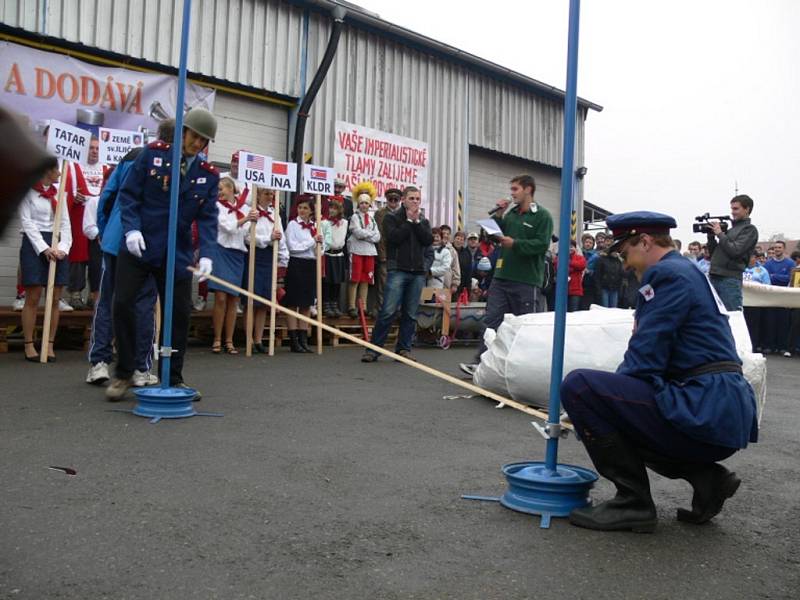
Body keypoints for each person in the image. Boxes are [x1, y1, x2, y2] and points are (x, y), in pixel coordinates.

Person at [560, 211, 758, 533]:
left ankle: (632, 503)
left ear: (646, 241)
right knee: (616, 408)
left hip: (705, 407)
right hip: (716, 408)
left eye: (626, 253)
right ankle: (707, 479)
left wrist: (592, 409)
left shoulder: (667, 274)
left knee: (580, 388)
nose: (625, 264)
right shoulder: (685, 271)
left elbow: (646, 356)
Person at [106, 108, 219, 400]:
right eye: (194, 136)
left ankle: (174, 376)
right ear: (183, 132)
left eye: (203, 141)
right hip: (139, 244)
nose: (197, 144)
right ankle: (125, 372)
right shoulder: (153, 155)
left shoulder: (207, 175)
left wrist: (206, 254)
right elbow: (129, 195)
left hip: (177, 252)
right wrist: (131, 230)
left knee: (179, 314)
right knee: (123, 303)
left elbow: (207, 218)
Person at [86, 121, 169, 387]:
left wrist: (105, 229)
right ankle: (140, 369)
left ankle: (99, 362)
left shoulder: (132, 157)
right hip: (151, 243)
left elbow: (108, 197)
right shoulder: (178, 165)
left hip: (117, 239)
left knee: (111, 301)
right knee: (144, 305)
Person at [460, 174, 553, 376]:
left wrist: (516, 244)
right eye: (511, 190)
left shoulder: (542, 216)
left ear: (528, 189)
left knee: (524, 325)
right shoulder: (511, 214)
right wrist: (499, 214)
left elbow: (542, 245)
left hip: (526, 280)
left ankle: (528, 369)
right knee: (491, 321)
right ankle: (482, 363)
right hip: (502, 277)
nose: (511, 194)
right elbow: (493, 236)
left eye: (515, 189)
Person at [361, 186, 432, 362]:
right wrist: (408, 222)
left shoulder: (423, 221)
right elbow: (394, 238)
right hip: (398, 270)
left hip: (417, 272)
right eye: (412, 198)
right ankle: (373, 350)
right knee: (388, 310)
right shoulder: (391, 218)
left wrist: (416, 223)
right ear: (404, 200)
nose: (415, 202)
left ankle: (403, 349)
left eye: (417, 199)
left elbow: (428, 240)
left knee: (410, 313)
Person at [18, 164, 72, 362]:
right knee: (33, 295)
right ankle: (29, 343)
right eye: (57, 169)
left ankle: (49, 343)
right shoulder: (27, 192)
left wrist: (63, 248)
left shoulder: (60, 193)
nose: (60, 173)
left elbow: (65, 222)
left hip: (56, 243)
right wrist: (44, 248)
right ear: (47, 171)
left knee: (56, 296)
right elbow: (27, 222)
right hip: (34, 243)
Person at [208, 176, 252, 354]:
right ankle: (217, 338)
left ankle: (229, 340)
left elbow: (246, 233)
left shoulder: (246, 208)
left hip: (237, 254)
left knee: (234, 299)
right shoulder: (217, 207)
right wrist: (246, 220)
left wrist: (248, 221)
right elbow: (228, 227)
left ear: (232, 189)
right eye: (217, 189)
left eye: (221, 189)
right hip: (221, 251)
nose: (219, 192)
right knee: (220, 297)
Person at [245, 187, 289, 352]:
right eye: (266, 193)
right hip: (255, 256)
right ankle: (249, 339)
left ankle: (258, 340)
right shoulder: (252, 212)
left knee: (264, 301)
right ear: (258, 195)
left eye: (272, 194)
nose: (270, 196)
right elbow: (248, 237)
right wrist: (267, 238)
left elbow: (281, 237)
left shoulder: (275, 214)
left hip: (270, 257)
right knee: (252, 300)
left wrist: (283, 258)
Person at [65, 137, 104, 309]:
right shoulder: (74, 167)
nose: (94, 151)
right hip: (79, 215)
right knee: (78, 255)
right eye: (91, 148)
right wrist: (73, 196)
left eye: (96, 148)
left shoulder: (106, 168)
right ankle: (75, 293)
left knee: (98, 257)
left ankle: (94, 294)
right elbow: (65, 190)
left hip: (98, 216)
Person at [282, 196, 324, 353]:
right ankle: (293, 340)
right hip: (296, 263)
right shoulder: (293, 225)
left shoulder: (315, 226)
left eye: (306, 208)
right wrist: (312, 241)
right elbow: (293, 247)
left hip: (310, 264)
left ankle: (303, 339)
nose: (302, 210)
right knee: (293, 302)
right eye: (300, 207)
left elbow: (322, 249)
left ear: (311, 210)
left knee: (306, 303)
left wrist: (319, 243)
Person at [706, 194, 758, 311]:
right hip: (714, 276)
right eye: (731, 209)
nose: (732, 212)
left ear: (747, 209)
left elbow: (735, 251)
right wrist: (711, 238)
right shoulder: (729, 231)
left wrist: (720, 234)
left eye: (736, 209)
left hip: (729, 280)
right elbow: (715, 254)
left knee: (734, 318)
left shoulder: (750, 230)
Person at [346, 183, 381, 318]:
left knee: (366, 279)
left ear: (370, 204)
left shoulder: (372, 219)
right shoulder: (355, 217)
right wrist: (369, 235)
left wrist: (367, 235)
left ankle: (363, 306)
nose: (364, 205)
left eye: (366, 203)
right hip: (357, 251)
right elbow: (357, 233)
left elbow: (378, 236)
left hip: (370, 252)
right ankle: (351, 306)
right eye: (362, 203)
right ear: (358, 204)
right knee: (355, 279)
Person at [762, 240, 796, 356]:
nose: (777, 249)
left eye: (779, 247)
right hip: (770, 297)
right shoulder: (768, 264)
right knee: (770, 322)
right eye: (775, 247)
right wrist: (779, 277)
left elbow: (789, 279)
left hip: (784, 297)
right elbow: (766, 278)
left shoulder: (790, 263)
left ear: (784, 249)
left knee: (783, 322)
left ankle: (782, 347)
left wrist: (774, 276)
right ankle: (770, 346)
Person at [374, 188, 402, 311]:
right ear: (387, 200)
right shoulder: (380, 213)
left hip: (401, 256)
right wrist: (382, 254)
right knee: (384, 284)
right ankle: (382, 309)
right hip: (386, 253)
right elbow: (379, 235)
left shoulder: (404, 213)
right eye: (391, 199)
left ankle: (397, 310)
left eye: (396, 199)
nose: (393, 202)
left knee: (399, 284)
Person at [321, 198, 348, 318]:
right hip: (328, 254)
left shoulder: (344, 222)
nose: (332, 210)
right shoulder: (324, 222)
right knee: (327, 281)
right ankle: (326, 304)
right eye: (330, 207)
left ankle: (334, 303)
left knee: (337, 281)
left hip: (339, 254)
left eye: (335, 208)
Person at [742, 252, 770, 353]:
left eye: (751, 256)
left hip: (756, 303)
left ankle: (754, 346)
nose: (749, 258)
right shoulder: (740, 268)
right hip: (742, 301)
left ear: (756, 258)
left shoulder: (762, 271)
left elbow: (767, 286)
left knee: (754, 326)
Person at [553, 239, 587, 312]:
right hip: (562, 290)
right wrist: (573, 266)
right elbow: (558, 267)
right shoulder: (558, 257)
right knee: (561, 311)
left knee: (574, 312)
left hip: (575, 290)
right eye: (567, 246)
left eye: (572, 246)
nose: (570, 248)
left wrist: (568, 262)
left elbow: (581, 265)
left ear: (575, 248)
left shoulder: (580, 257)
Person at [593, 234, 625, 308]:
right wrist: (598, 289)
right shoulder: (601, 258)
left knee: (613, 310)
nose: (610, 244)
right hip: (604, 288)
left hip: (615, 288)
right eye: (607, 241)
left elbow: (622, 274)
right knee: (605, 309)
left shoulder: (618, 260)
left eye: (611, 241)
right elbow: (597, 275)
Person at [439, 224, 461, 297]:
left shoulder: (452, 251)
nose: (445, 235)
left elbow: (456, 268)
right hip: (431, 283)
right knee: (428, 305)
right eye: (443, 233)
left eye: (447, 234)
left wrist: (455, 284)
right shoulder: (431, 247)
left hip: (446, 284)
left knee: (444, 306)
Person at [452, 230, 472, 299]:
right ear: (453, 239)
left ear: (463, 242)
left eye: (461, 240)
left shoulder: (466, 253)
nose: (459, 241)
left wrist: (468, 288)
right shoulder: (448, 250)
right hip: (449, 283)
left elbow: (469, 271)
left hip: (462, 285)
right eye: (457, 238)